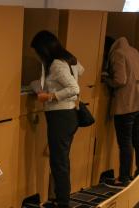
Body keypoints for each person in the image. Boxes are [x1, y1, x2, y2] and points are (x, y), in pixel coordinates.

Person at [30, 30, 84, 208]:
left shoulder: (56, 64)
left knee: (59, 162)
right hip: (69, 116)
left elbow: (74, 88)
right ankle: (59, 198)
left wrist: (50, 96)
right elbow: (81, 70)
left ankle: (62, 203)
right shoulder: (69, 59)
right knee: (61, 160)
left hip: (60, 117)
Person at [103, 37, 139, 186]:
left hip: (127, 104)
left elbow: (120, 80)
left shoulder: (117, 53)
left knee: (125, 142)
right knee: (138, 137)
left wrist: (106, 79)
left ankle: (124, 178)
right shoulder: (134, 50)